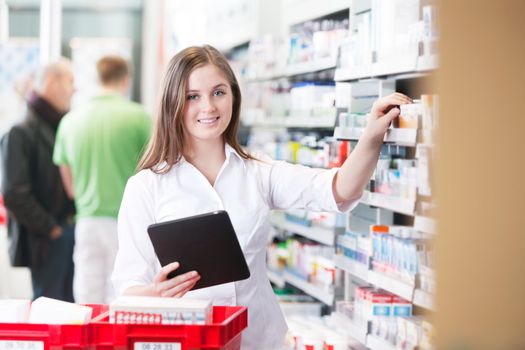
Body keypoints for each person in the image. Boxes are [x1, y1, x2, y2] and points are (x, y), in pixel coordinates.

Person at [111, 45, 412, 349]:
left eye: (219, 92)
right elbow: (127, 288)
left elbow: (338, 188)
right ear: (173, 103)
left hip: (259, 337)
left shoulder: (258, 171)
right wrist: (156, 292)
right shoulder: (147, 186)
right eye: (193, 96)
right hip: (191, 339)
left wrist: (372, 134)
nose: (209, 107)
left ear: (233, 96)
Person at [53, 55, 151, 304]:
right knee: (123, 295)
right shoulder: (139, 117)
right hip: (128, 221)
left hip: (87, 219)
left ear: (97, 78)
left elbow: (68, 181)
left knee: (87, 295)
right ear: (125, 80)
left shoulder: (70, 121)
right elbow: (154, 168)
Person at [1, 58, 76, 302]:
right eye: (70, 81)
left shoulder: (60, 126)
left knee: (69, 312)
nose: (74, 88)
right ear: (52, 82)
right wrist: (51, 229)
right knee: (53, 313)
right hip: (46, 239)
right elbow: (13, 192)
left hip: (66, 232)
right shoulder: (21, 131)